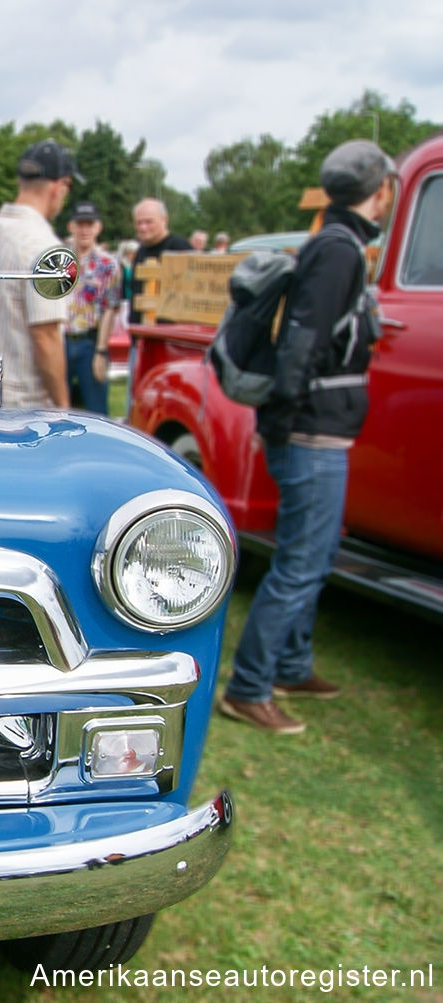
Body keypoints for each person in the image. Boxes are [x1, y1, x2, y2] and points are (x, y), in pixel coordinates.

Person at [218, 140, 397, 735]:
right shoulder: (339, 252)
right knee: (299, 562)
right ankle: (248, 688)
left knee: (315, 558)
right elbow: (303, 340)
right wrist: (285, 420)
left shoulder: (336, 245)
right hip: (311, 433)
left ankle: (291, 665)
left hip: (318, 430)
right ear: (381, 191)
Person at [0, 139, 81, 408]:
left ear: (22, 182)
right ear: (59, 186)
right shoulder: (44, 246)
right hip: (24, 403)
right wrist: (62, 406)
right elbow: (46, 337)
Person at [63, 203, 121, 415]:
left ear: (98, 227)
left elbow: (110, 309)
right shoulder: (59, 260)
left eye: (89, 224)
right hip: (60, 340)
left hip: (90, 341)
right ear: (71, 226)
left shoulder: (109, 264)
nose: (84, 230)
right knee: (54, 409)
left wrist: (101, 350)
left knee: (97, 410)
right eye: (80, 224)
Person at [127, 199, 193, 324]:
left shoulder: (180, 249)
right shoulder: (140, 252)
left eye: (149, 222)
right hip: (140, 333)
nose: (143, 227)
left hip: (168, 335)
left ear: (164, 219)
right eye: (138, 223)